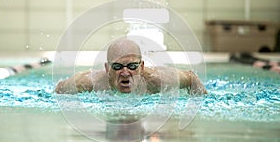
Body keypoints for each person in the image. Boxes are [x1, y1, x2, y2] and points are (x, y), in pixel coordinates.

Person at [55, 38, 207, 95]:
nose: (125, 73)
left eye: (132, 66)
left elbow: (191, 78)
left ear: (141, 67)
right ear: (107, 69)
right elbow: (59, 89)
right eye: (118, 66)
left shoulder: (159, 80)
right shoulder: (89, 82)